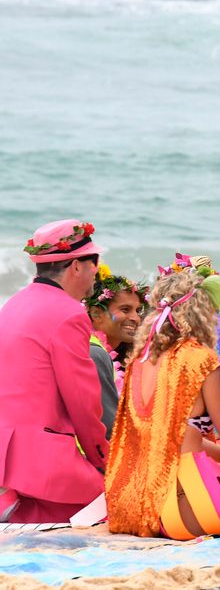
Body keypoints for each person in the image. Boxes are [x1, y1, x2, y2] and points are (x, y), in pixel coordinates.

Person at [105, 266, 220, 538]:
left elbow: (181, 432)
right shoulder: (201, 359)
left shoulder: (138, 362)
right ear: (201, 313)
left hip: (137, 505)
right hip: (190, 504)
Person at [0, 220, 108, 524]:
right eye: (93, 262)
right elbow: (83, 403)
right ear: (76, 266)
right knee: (116, 497)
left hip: (6, 456)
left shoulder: (13, 304)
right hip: (40, 465)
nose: (95, 273)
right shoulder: (69, 313)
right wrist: (103, 459)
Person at [86, 264, 148, 436]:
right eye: (125, 310)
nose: (136, 318)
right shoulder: (92, 354)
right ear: (96, 314)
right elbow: (109, 427)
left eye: (137, 310)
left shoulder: (119, 356)